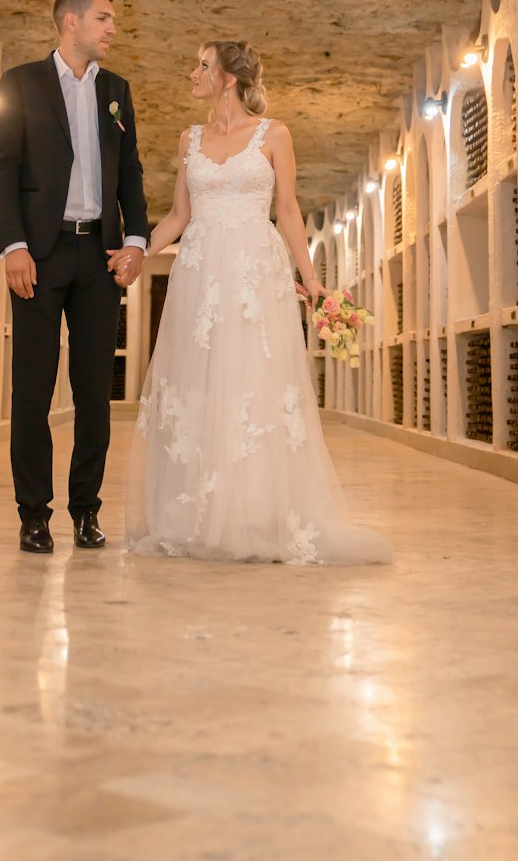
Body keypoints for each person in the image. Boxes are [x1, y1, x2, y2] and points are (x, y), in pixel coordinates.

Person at [118, 40, 389, 565]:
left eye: (201, 65)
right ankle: (195, 511)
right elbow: (178, 216)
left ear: (226, 77)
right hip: (199, 275)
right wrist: (137, 252)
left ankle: (256, 512)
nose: (192, 72)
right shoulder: (189, 139)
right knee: (199, 386)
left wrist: (313, 283)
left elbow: (287, 210)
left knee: (251, 385)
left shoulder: (274, 134)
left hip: (252, 275)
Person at [0, 0, 149, 554]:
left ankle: (86, 511)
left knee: (92, 392)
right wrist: (13, 246)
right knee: (32, 390)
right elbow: (4, 169)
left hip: (99, 258)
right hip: (40, 252)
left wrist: (135, 240)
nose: (112, 29)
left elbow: (128, 169)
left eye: (112, 19)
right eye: (103, 18)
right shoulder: (22, 83)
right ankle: (33, 515)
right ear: (69, 21)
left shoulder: (116, 90)